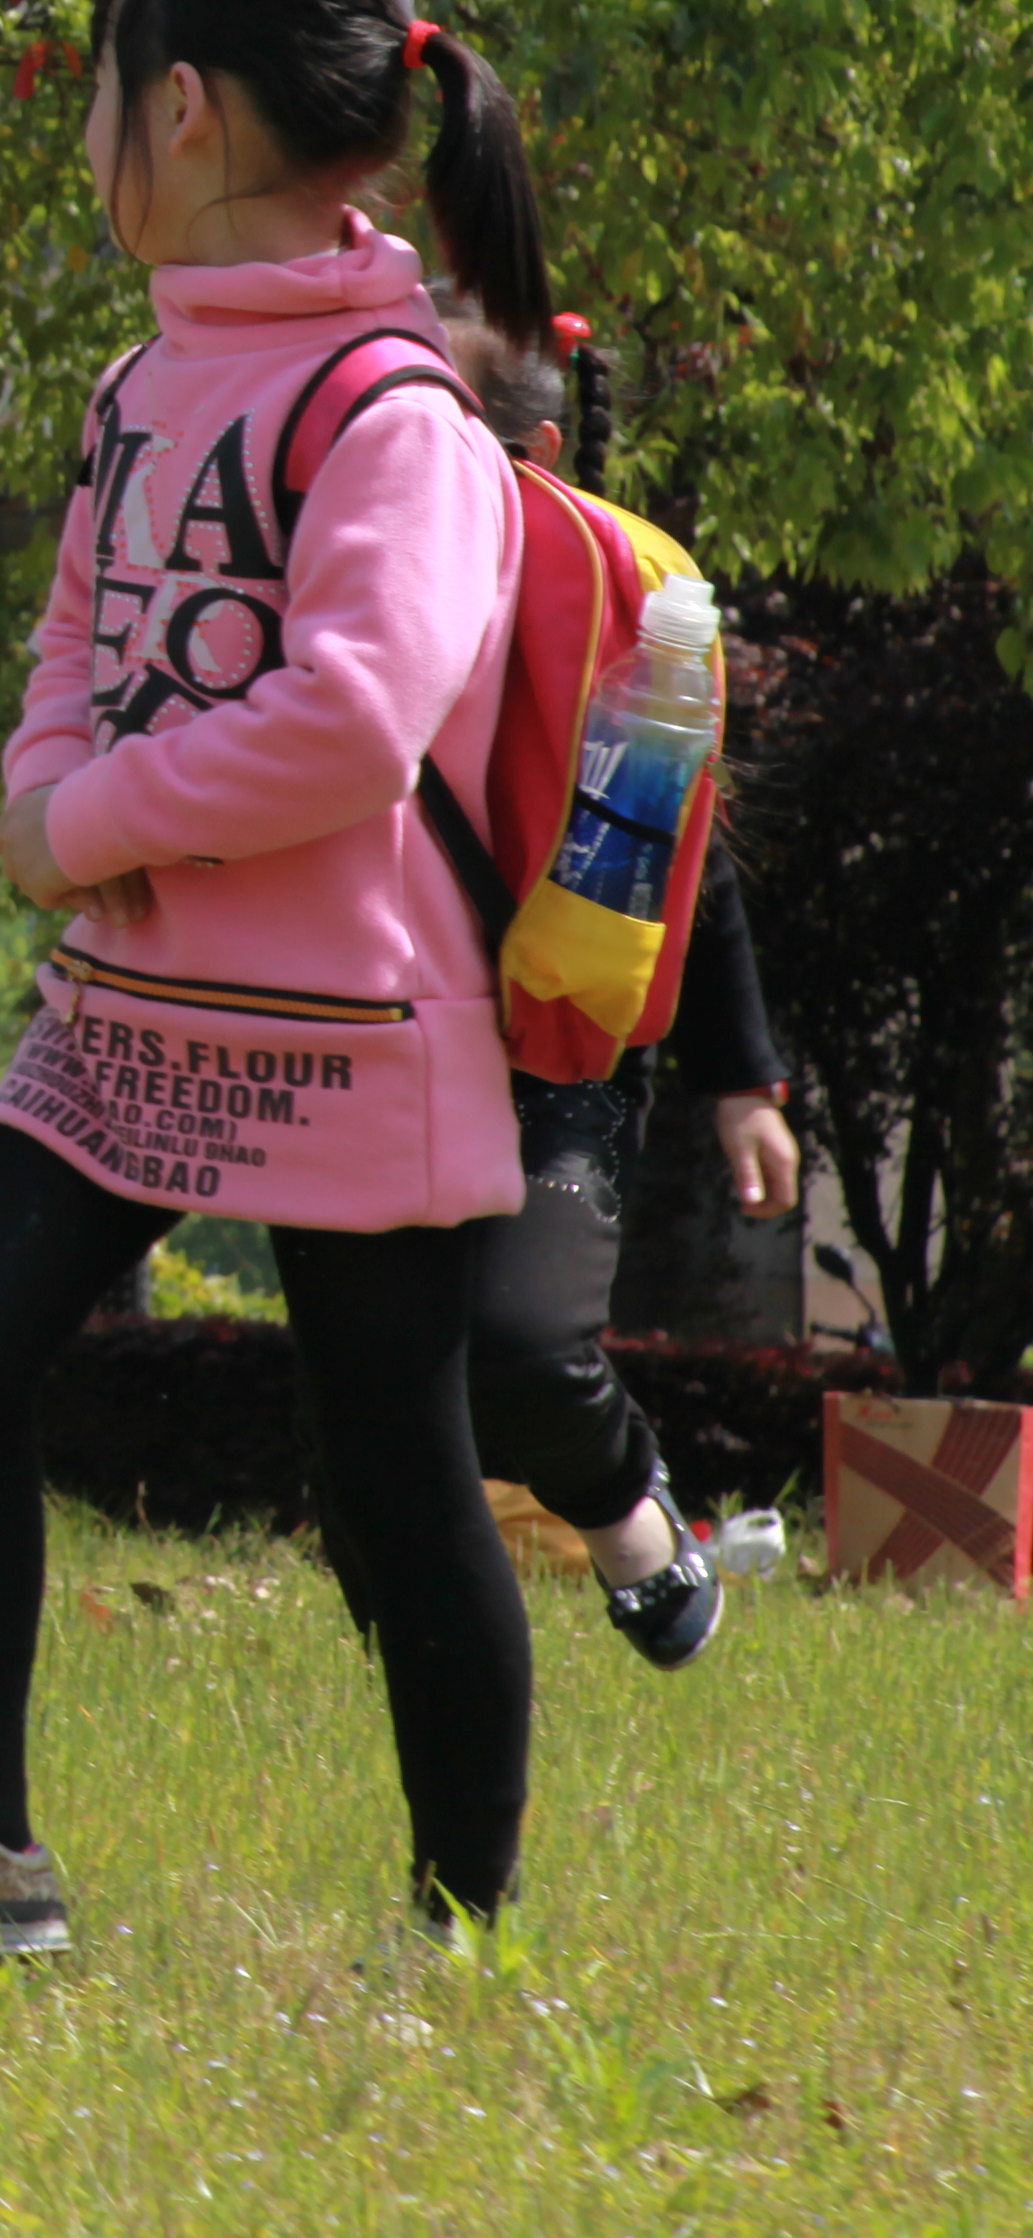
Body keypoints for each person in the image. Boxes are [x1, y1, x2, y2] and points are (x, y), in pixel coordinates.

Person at [0, 0, 560, 1962]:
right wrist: (51, 817)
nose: (98, 137)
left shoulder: (394, 414)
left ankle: (457, 1934)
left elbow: (357, 721)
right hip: (131, 998)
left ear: (184, 112)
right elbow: (80, 626)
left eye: (108, 96)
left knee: (396, 1473)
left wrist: (102, 809)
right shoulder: (144, 387)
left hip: (353, 1032)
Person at [403, 295, 808, 1670]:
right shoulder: (352, 587)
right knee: (376, 1383)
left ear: (541, 447)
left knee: (519, 1347)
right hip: (381, 1034)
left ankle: (640, 1520)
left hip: (557, 1058)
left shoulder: (615, 618)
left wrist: (745, 1082)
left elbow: (687, 865)